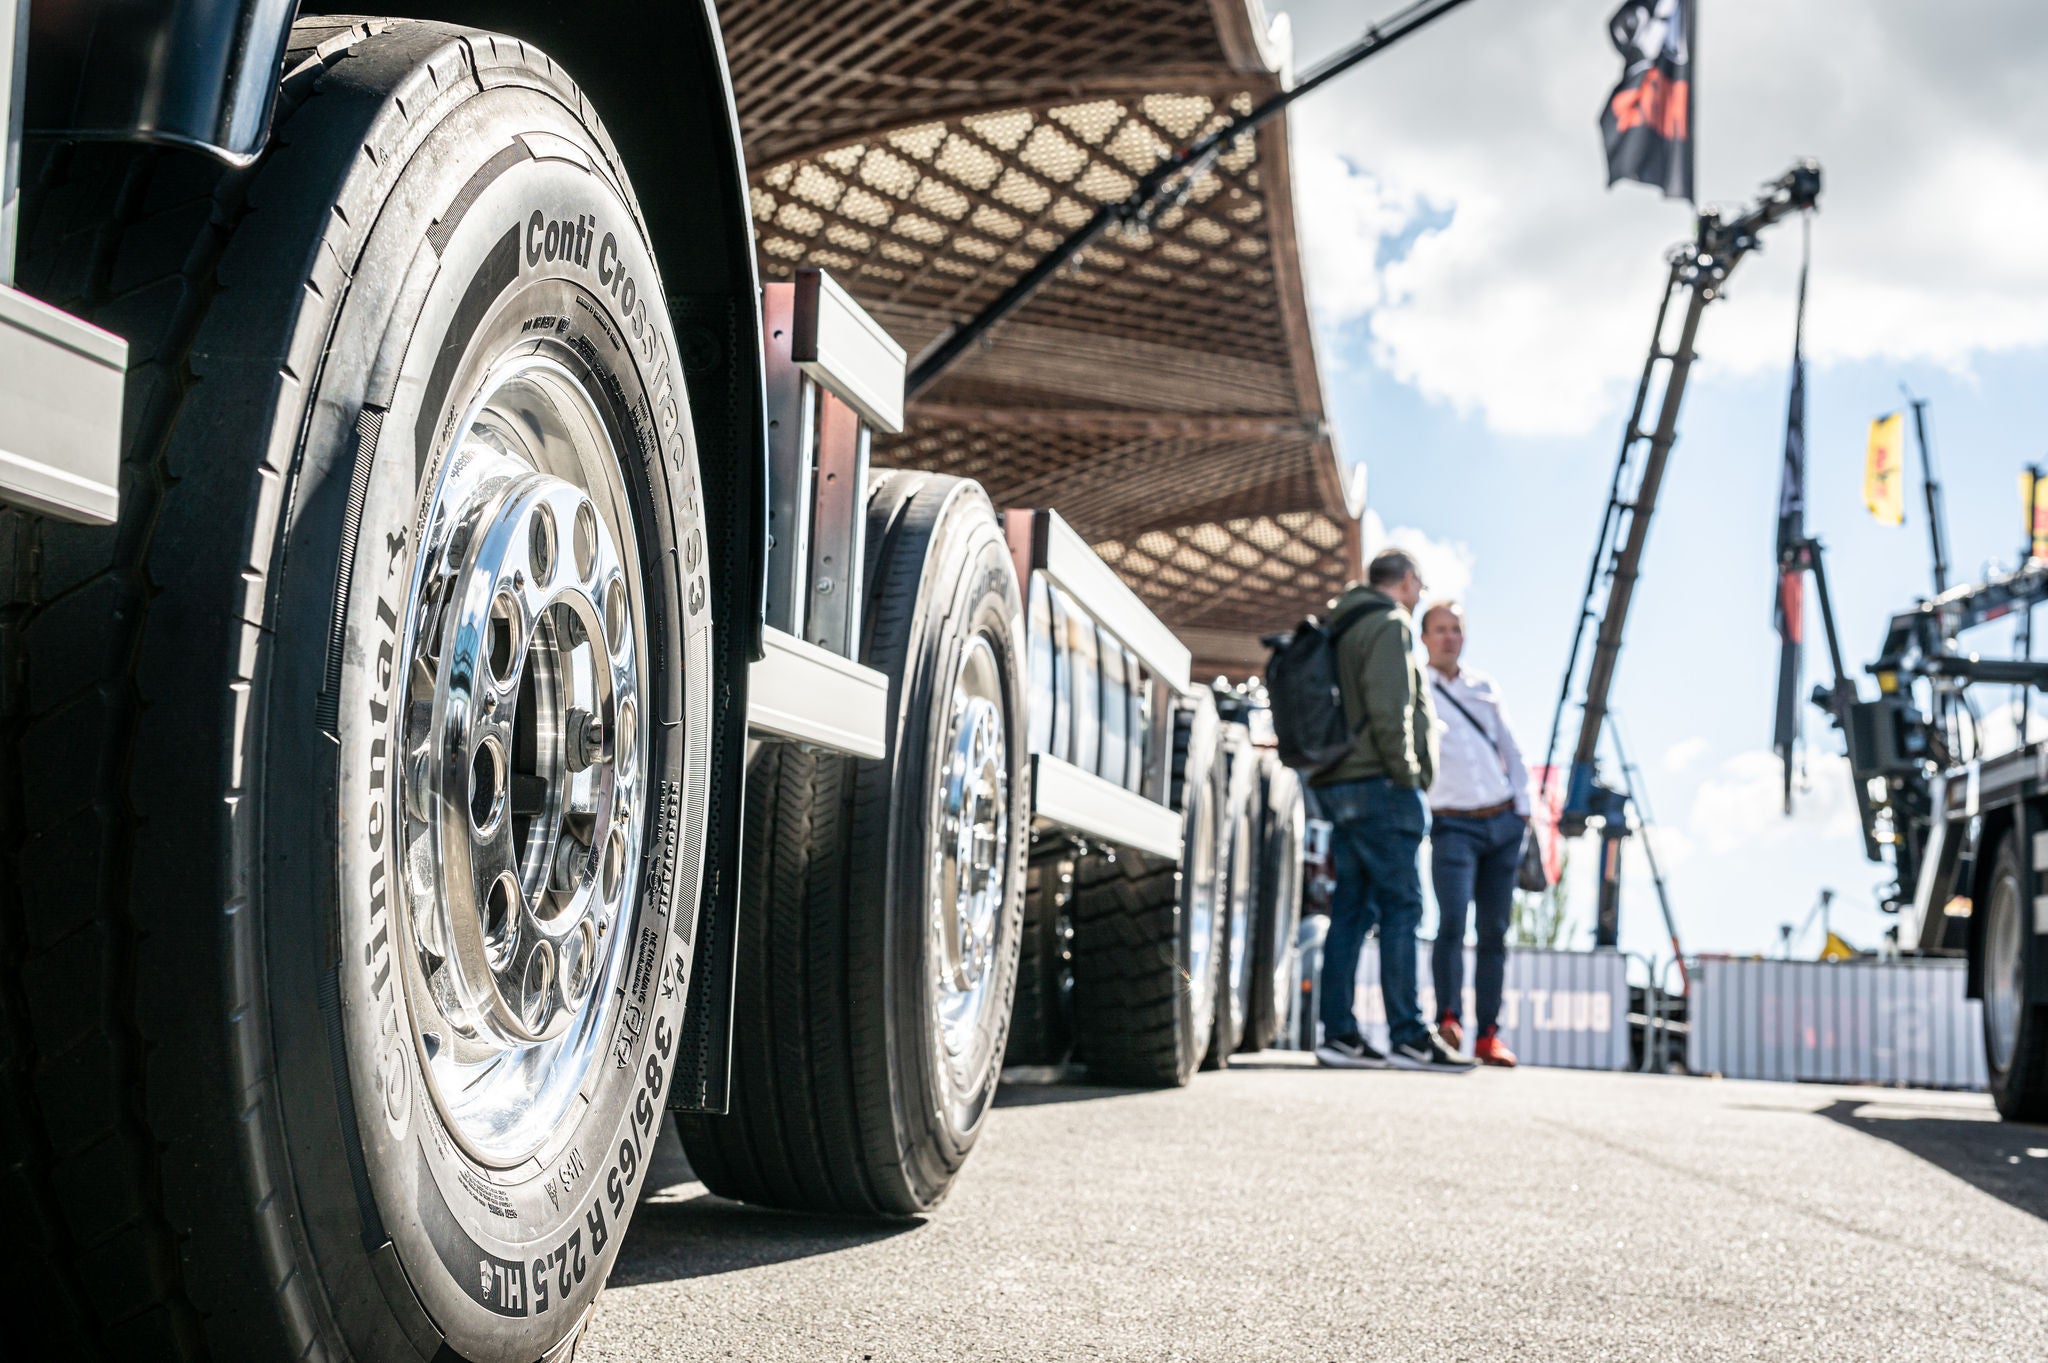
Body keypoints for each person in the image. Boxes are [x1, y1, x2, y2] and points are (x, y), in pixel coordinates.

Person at [1312, 550, 1475, 1073]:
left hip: (1342, 784)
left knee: (1352, 912)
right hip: (1382, 785)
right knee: (1404, 909)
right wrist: (1407, 775)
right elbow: (1391, 711)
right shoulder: (1388, 624)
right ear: (1405, 582)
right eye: (1419, 584)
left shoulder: (1345, 624)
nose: (1420, 592)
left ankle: (1339, 1034)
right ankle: (1408, 1033)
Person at [1420, 601, 1527, 1068]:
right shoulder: (1415, 686)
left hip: (1502, 822)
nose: (1449, 638)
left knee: (1494, 934)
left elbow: (1512, 751)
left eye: (1456, 630)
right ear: (1424, 637)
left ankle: (1488, 1035)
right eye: (1440, 630)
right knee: (1451, 924)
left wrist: (1523, 811)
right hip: (1451, 824)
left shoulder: (1484, 686)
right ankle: (1448, 1018)